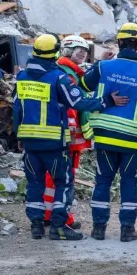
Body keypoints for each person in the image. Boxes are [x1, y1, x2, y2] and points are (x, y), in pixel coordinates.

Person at [15, 33, 127, 240]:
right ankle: (58, 226)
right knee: (63, 182)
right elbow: (78, 102)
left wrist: (18, 136)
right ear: (57, 53)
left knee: (34, 184)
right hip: (54, 143)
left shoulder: (21, 77)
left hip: (30, 143)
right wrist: (107, 102)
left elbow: (17, 109)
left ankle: (37, 226)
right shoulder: (58, 78)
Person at [80, 22, 137, 242]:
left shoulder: (104, 67)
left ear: (120, 42)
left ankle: (98, 228)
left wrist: (100, 63)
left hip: (105, 135)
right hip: (133, 139)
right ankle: (127, 229)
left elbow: (84, 85)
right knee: (129, 180)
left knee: (103, 180)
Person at [39, 35, 94, 229]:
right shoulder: (67, 74)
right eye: (79, 50)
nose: (83, 55)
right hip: (68, 136)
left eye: (86, 52)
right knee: (65, 177)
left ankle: (48, 213)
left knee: (54, 175)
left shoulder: (69, 71)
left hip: (63, 134)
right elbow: (71, 107)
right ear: (67, 51)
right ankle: (62, 217)